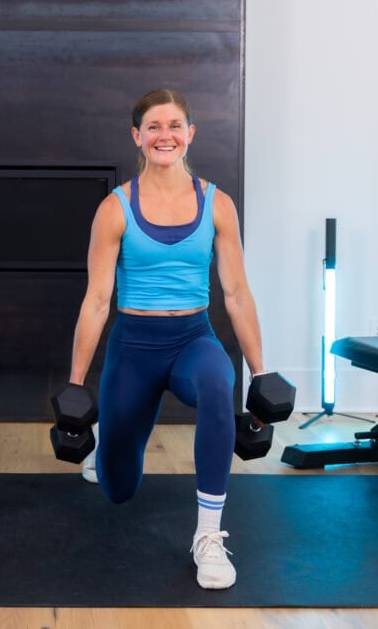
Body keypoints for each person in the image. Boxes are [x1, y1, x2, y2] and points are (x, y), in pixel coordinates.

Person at [68, 89, 265, 589]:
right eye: (153, 126)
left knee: (219, 383)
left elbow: (237, 293)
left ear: (190, 133)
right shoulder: (115, 209)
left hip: (192, 339)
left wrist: (262, 373)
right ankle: (106, 445)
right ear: (137, 136)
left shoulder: (217, 204)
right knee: (118, 487)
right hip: (134, 348)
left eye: (175, 125)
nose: (165, 135)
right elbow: (97, 301)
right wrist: (74, 386)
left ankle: (208, 536)